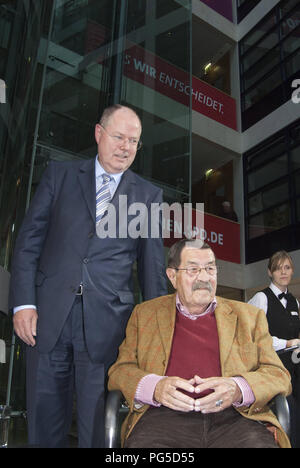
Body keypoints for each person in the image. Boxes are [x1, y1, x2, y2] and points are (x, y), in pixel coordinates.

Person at [9, 104, 167, 448]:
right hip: (46, 319)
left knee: (99, 427)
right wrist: (23, 304)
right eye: (119, 137)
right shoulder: (59, 175)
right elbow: (27, 245)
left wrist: (155, 335)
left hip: (110, 325)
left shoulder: (149, 196)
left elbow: (152, 271)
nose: (126, 147)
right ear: (99, 133)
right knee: (44, 416)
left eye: (134, 141)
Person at [108, 239, 291, 448]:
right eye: (193, 269)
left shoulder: (250, 316)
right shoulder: (144, 314)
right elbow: (120, 371)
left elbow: (278, 374)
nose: (204, 277)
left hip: (236, 420)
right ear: (172, 276)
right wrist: (155, 387)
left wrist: (238, 388)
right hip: (162, 421)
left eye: (210, 268)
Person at [248, 250, 300, 447]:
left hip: (294, 368)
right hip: (272, 369)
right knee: (286, 416)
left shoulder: (294, 301)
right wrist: (285, 343)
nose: (283, 272)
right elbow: (252, 336)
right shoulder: (261, 298)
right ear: (270, 272)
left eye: (287, 268)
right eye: (278, 269)